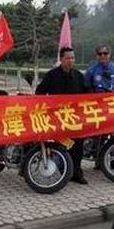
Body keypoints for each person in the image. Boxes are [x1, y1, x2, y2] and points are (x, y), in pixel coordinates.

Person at [35, 47, 89, 185]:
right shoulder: (52, 75)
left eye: (72, 58)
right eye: (68, 58)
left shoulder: (78, 75)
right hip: (57, 118)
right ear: (61, 59)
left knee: (77, 146)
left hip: (74, 118)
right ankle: (63, 172)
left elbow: (88, 94)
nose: (71, 61)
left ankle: (76, 173)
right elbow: (39, 92)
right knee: (59, 146)